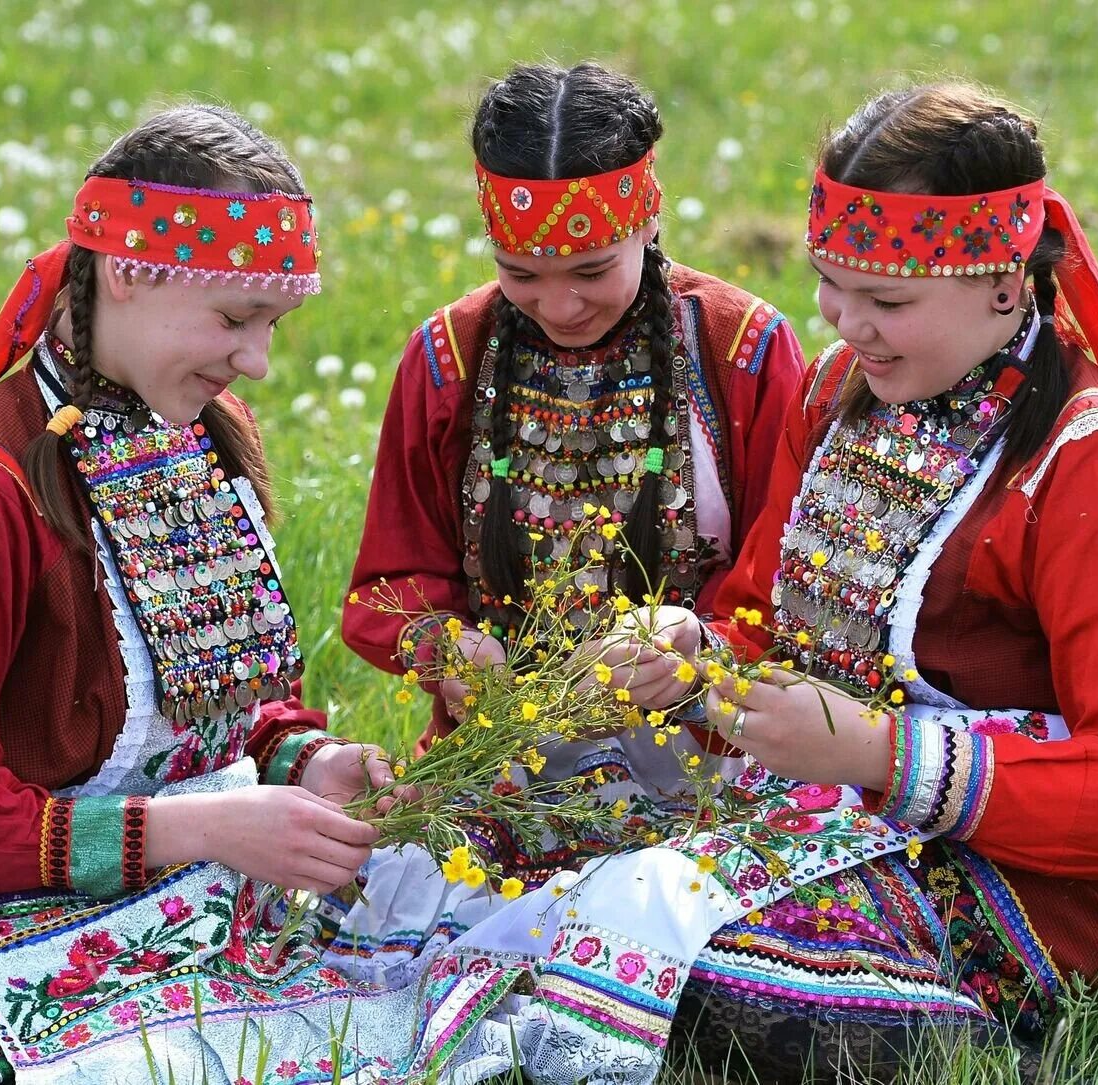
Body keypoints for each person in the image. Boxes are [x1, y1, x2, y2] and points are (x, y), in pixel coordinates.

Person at [0, 104, 409, 1085]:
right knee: (269, 1043)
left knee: (425, 936)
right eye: (235, 319)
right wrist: (199, 828)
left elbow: (225, 699)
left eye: (272, 324)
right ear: (127, 270)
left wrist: (305, 758)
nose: (256, 360)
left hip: (194, 877)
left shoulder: (196, 427)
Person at [602, 82, 1098, 1079]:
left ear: (1005, 284)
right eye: (829, 285)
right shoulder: (843, 387)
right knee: (560, 861)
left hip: (1030, 876)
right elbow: (763, 618)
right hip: (838, 796)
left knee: (701, 979)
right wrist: (698, 654)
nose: (847, 323)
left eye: (887, 300)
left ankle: (976, 1030)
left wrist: (883, 752)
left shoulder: (1093, 460)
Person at [340, 62, 805, 786]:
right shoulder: (449, 356)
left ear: (649, 219)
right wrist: (447, 647)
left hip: (718, 758)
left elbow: (789, 579)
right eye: (519, 273)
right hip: (504, 764)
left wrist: (695, 644)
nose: (559, 307)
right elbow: (387, 585)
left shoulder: (739, 348)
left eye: (591, 271)